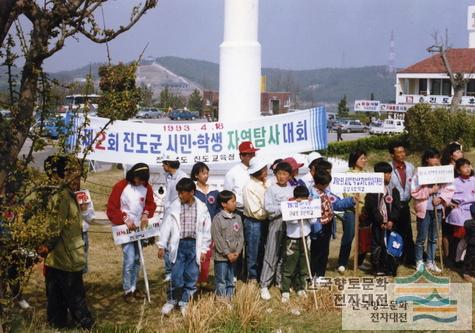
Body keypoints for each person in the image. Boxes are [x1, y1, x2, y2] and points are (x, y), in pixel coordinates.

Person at [37, 155, 94, 329]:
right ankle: (59, 324)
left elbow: (56, 226)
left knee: (72, 296)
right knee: (58, 295)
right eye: (70, 172)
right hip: (61, 256)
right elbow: (55, 226)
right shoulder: (60, 194)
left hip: (67, 255)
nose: (76, 177)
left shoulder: (63, 195)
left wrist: (45, 246)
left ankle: (86, 325)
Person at [158, 178, 211, 316]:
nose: (180, 195)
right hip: (178, 245)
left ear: (192, 192)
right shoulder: (174, 206)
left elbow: (206, 230)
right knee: (175, 275)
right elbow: (166, 227)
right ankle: (172, 300)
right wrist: (162, 245)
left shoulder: (202, 207)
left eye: (183, 193)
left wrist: (204, 249)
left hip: (194, 245)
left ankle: (185, 302)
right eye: (179, 193)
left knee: (191, 275)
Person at [107, 163, 156, 303]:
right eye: (138, 179)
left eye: (142, 180)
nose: (139, 182)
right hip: (125, 229)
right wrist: (124, 218)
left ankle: (134, 287)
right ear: (133, 175)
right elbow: (111, 208)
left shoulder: (147, 187)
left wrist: (146, 214)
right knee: (129, 259)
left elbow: (150, 203)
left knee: (137, 260)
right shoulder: (120, 186)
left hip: (139, 228)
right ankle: (127, 289)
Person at [411, 148, 454, 273]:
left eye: (437, 157)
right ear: (427, 159)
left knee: (434, 237)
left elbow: (449, 188)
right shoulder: (419, 173)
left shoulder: (444, 172)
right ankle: (419, 261)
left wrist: (440, 198)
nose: (436, 160)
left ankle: (431, 261)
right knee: (421, 237)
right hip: (424, 209)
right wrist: (430, 191)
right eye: (433, 157)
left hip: (438, 209)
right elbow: (414, 192)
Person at [309, 170, 355, 278]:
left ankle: (321, 275)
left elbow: (337, 204)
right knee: (316, 252)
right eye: (326, 184)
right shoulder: (311, 194)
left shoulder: (327, 192)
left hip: (327, 226)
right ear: (319, 183)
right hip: (317, 228)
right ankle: (312, 275)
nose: (328, 185)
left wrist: (351, 200)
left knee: (325, 251)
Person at [224, 141, 259, 279]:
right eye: (249, 154)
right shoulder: (233, 173)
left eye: (253, 153)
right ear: (242, 156)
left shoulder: (257, 170)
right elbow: (227, 195)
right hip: (237, 212)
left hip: (253, 213)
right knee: (236, 244)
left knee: (252, 244)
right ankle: (235, 274)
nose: (252, 156)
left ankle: (251, 275)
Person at [260, 161, 294, 300]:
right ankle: (264, 285)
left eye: (284, 174)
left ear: (289, 176)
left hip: (290, 224)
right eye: (279, 173)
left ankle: (280, 281)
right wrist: (284, 207)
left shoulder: (292, 189)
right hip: (276, 222)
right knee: (271, 253)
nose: (281, 176)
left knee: (285, 254)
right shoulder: (271, 189)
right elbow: (269, 208)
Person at [366, 162, 401, 276]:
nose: (389, 175)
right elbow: (372, 208)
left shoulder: (393, 190)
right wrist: (380, 221)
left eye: (390, 173)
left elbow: (396, 206)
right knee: (377, 245)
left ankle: (390, 266)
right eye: (386, 173)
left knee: (390, 244)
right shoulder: (372, 191)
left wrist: (391, 220)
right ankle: (377, 267)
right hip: (378, 224)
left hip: (391, 223)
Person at [280, 185, 314, 303]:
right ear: (295, 198)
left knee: (304, 264)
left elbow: (313, 220)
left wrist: (308, 208)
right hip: (292, 239)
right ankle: (285, 290)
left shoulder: (309, 204)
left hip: (305, 237)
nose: (302, 201)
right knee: (290, 265)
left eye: (305, 198)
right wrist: (297, 209)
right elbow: (290, 220)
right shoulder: (289, 206)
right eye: (300, 199)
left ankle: (300, 287)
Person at [337, 149, 368, 273]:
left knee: (364, 238)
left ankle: (359, 262)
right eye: (362, 158)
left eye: (365, 158)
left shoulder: (367, 174)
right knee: (348, 237)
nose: (364, 161)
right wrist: (356, 206)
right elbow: (347, 194)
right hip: (351, 211)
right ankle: (342, 263)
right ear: (354, 160)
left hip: (365, 211)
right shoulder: (347, 175)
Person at [191, 162, 220, 288]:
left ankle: (204, 278)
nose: (206, 175)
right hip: (197, 228)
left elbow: (218, 209)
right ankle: (194, 278)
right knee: (196, 253)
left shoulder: (214, 191)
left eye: (207, 173)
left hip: (211, 228)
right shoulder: (193, 191)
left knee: (207, 254)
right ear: (196, 175)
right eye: (203, 173)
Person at [387, 141, 416, 266]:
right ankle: (394, 258)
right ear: (392, 155)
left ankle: (409, 258)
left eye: (403, 152)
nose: (402, 155)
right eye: (398, 152)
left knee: (407, 232)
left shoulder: (410, 167)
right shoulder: (388, 168)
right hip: (392, 205)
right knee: (394, 232)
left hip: (405, 204)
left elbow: (414, 185)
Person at [211, 190, 244, 298]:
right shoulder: (217, 219)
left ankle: (230, 299)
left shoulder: (237, 218)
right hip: (222, 257)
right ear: (224, 204)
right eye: (233, 201)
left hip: (234, 256)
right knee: (221, 280)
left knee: (231, 279)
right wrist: (227, 253)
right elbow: (217, 238)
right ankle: (222, 301)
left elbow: (241, 236)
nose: (235, 203)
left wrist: (237, 253)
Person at [242, 156, 270, 282]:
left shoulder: (265, 183)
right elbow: (256, 211)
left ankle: (261, 274)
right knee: (253, 249)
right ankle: (252, 276)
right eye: (264, 168)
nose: (266, 170)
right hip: (254, 221)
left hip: (265, 220)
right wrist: (271, 210)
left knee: (262, 248)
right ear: (259, 171)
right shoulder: (249, 186)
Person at [161, 153, 187, 281]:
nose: (162, 166)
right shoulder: (167, 176)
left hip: (177, 215)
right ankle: (168, 271)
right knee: (165, 242)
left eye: (164, 163)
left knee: (175, 243)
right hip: (167, 213)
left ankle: (177, 269)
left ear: (168, 164)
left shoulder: (182, 177)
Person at [446, 158, 475, 266]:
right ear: (458, 170)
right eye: (464, 167)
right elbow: (444, 194)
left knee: (470, 238)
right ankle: (457, 259)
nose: (467, 169)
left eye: (468, 166)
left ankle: (465, 259)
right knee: (463, 237)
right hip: (462, 212)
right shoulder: (454, 182)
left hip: (474, 210)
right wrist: (449, 203)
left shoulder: (474, 180)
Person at [462, 204, 475, 282]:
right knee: (470, 259)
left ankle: (468, 272)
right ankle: (466, 273)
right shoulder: (469, 224)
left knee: (470, 258)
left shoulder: (467, 223)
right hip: (472, 245)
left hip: (471, 244)